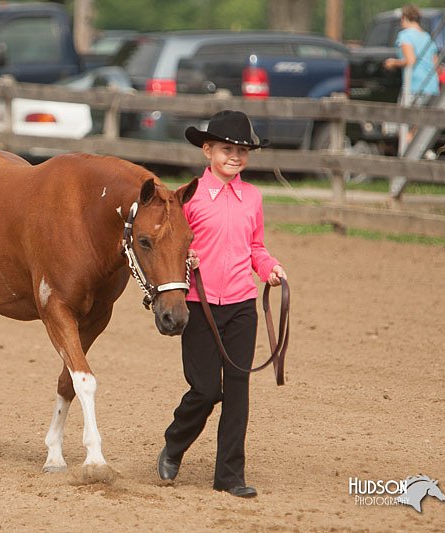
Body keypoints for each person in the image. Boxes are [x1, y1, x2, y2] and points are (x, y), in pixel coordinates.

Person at [156, 110, 286, 498]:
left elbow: (255, 247)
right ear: (207, 150)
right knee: (206, 389)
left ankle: (230, 476)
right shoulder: (188, 196)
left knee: (239, 389)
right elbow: (172, 246)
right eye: (227, 149)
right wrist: (186, 260)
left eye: (243, 151)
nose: (235, 156)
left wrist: (269, 268)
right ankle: (175, 443)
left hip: (242, 304)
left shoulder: (252, 197)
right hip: (198, 305)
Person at [383, 4, 440, 148]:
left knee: (403, 125)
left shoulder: (405, 35)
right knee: (419, 128)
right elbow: (435, 64)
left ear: (404, 18)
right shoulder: (427, 36)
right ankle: (422, 153)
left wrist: (393, 62)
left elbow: (410, 60)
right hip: (432, 87)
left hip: (415, 87)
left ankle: (408, 156)